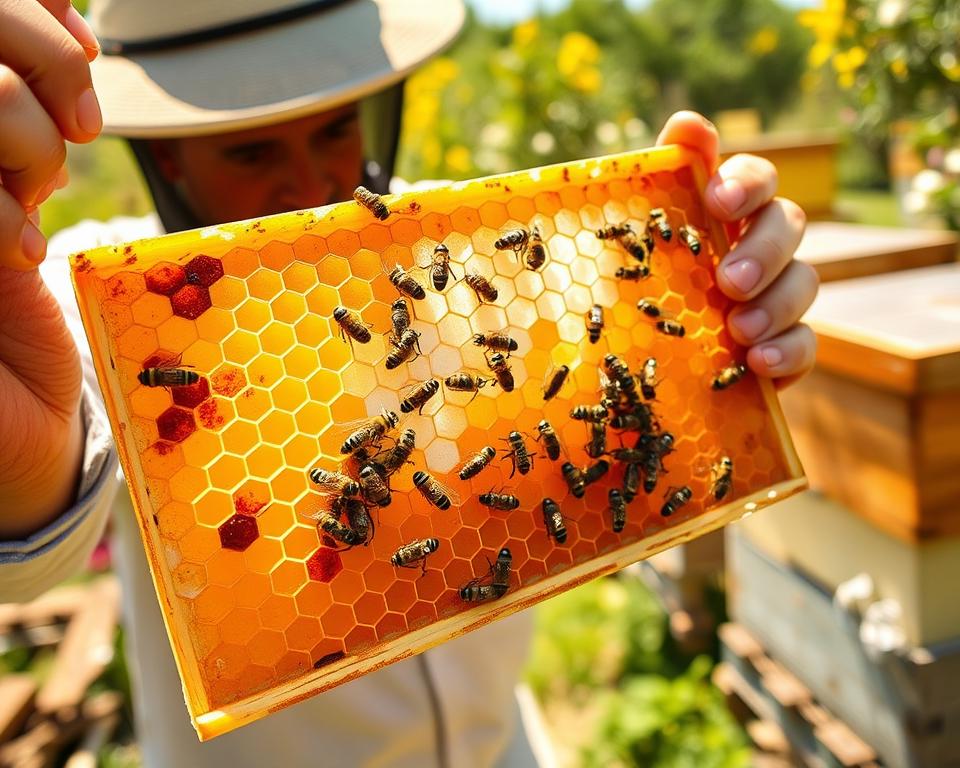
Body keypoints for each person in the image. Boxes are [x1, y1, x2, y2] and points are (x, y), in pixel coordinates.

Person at [0, 0, 818, 765]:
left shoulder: (465, 260)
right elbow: (33, 550)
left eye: (334, 130)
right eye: (250, 149)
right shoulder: (96, 305)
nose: (308, 185)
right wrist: (24, 472)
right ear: (166, 155)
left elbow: (625, 369)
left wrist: (726, 293)